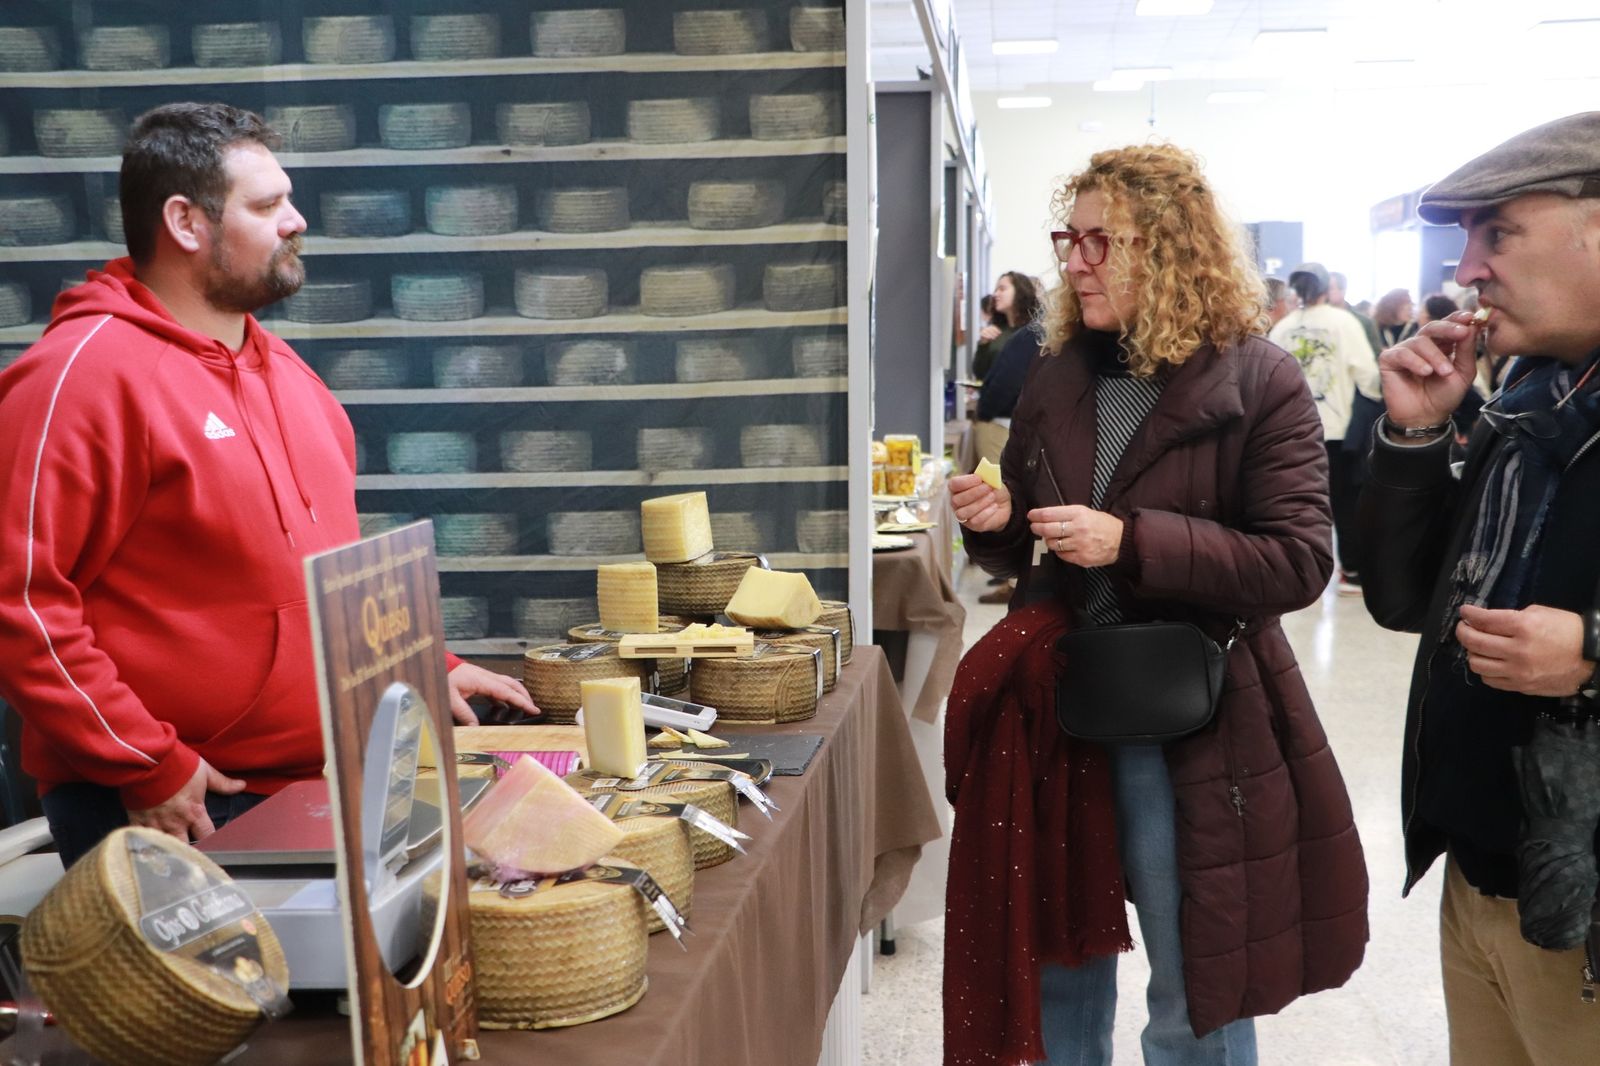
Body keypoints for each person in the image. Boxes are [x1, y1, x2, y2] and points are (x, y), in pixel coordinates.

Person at [0, 102, 535, 866]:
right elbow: (19, 600)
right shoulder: (80, 378)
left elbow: (313, 583)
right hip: (172, 801)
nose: (297, 220)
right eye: (267, 205)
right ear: (185, 223)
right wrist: (145, 760)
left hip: (314, 783)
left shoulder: (291, 377)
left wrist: (418, 665)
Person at [944, 143, 1367, 1066]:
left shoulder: (1258, 382)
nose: (1077, 262)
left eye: (1105, 241)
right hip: (1062, 713)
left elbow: (1299, 560)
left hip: (1192, 721)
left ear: (1171, 250)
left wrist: (1132, 542)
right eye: (1071, 239)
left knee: (1193, 994)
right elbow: (1033, 534)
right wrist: (999, 522)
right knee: (1062, 970)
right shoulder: (1061, 375)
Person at [1359, 110, 1600, 1066]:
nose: (1468, 268)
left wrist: (1590, 649)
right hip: (1486, 874)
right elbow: (1406, 598)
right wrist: (1416, 438)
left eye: (1499, 231)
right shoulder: (1532, 396)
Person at [1269, 261, 1383, 594]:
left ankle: (1294, 571)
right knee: (1345, 502)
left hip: (1287, 431)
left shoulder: (1283, 327)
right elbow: (1369, 378)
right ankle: (1350, 569)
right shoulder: (1343, 322)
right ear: (1323, 287)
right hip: (1334, 430)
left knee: (1291, 504)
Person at [972, 272, 1038, 381]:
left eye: (1002, 289)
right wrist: (983, 344)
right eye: (996, 290)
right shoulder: (996, 331)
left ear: (1019, 292)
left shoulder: (1034, 332)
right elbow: (980, 373)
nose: (995, 295)